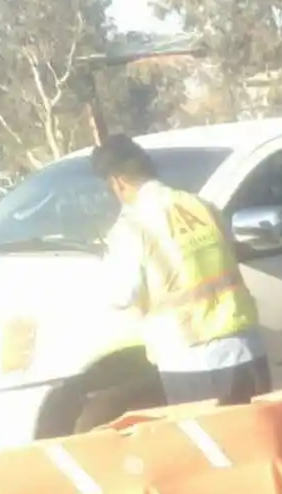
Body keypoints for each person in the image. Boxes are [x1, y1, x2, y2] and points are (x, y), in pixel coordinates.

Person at [93, 134, 271, 406]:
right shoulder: (202, 206)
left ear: (117, 182)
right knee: (258, 442)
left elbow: (120, 295)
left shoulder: (132, 226)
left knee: (212, 446)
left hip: (191, 360)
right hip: (247, 350)